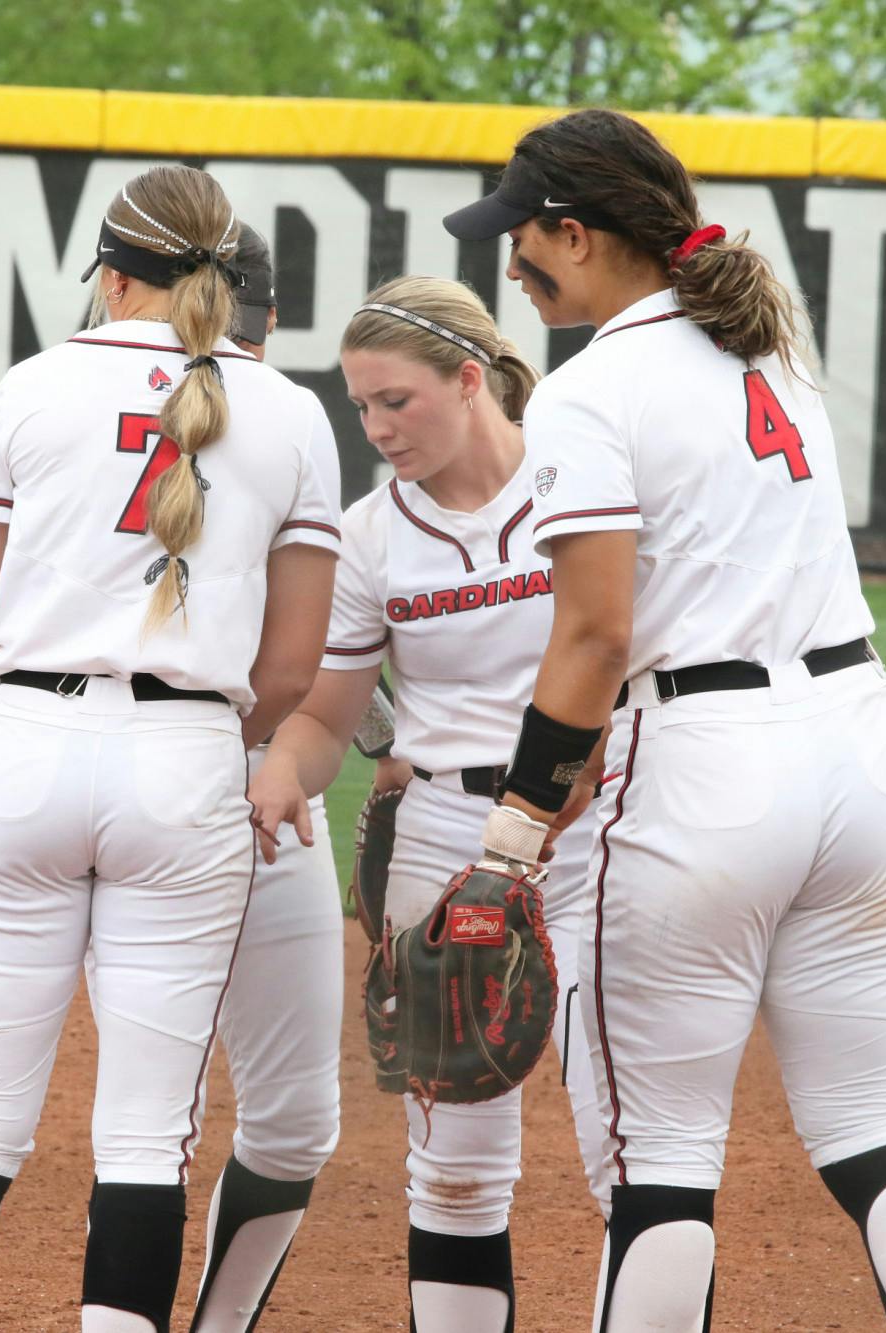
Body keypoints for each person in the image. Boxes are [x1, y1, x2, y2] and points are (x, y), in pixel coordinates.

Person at [446, 108, 886, 1331]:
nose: (512, 263)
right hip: (861, 758)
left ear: (574, 235)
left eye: (522, 238)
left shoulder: (590, 391)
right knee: (873, 1132)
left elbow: (594, 635)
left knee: (659, 1174)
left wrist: (511, 836)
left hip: (699, 776)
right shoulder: (767, 351)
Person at [0, 166, 343, 1333]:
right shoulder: (291, 413)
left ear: (110, 272)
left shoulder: (33, 384)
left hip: (27, 739)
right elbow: (292, 669)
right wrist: (195, 738)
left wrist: (46, 710)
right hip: (188, 757)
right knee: (144, 1139)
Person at [247, 275, 611, 1333]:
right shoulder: (369, 536)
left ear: (468, 377)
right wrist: (280, 771)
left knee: (630, 1139)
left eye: (394, 400)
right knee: (454, 1166)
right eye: (359, 406)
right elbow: (326, 715)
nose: (374, 427)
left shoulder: (576, 479)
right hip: (448, 838)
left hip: (598, 826)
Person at [176, 222, 343, 1333]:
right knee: (158, 1122)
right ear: (270, 320)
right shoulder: (96, 414)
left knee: (287, 1126)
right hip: (175, 788)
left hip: (273, 787)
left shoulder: (288, 435)